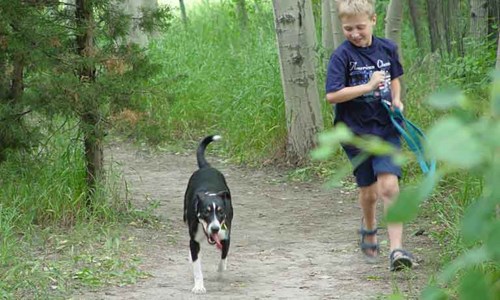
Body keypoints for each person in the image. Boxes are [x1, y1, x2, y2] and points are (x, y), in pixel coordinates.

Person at [325, 0, 413, 271]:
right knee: (369, 192)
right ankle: (370, 225)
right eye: (348, 28)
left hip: (386, 129)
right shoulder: (341, 56)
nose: (354, 33)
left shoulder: (387, 48)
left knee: (389, 186)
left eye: (360, 27)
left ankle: (397, 249)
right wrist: (367, 86)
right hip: (355, 134)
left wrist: (397, 100)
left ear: (373, 20)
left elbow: (395, 77)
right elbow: (332, 95)